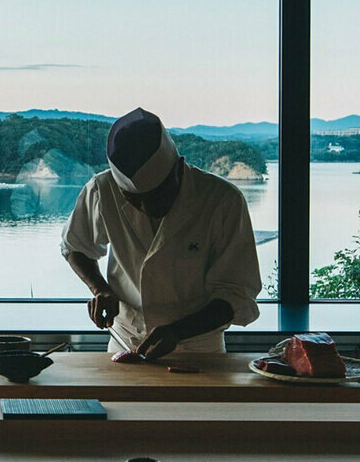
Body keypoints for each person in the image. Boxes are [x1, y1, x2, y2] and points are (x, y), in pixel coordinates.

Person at [61, 107, 262, 360]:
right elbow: (75, 246)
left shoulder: (222, 200)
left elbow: (237, 293)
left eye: (157, 195)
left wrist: (178, 331)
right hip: (125, 341)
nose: (147, 208)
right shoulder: (102, 189)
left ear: (179, 167)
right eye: (134, 200)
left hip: (198, 349)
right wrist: (100, 288)